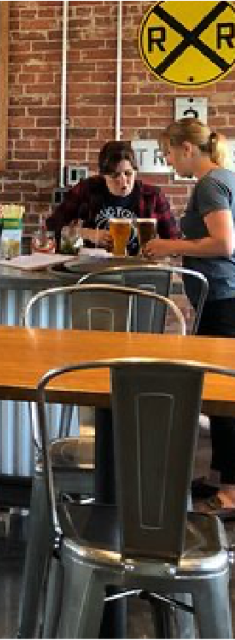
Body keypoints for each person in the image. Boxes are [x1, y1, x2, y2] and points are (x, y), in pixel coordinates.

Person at [144, 118, 235, 514]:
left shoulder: (210, 184)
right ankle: (221, 475)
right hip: (224, 295)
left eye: (167, 151)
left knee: (223, 393)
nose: (166, 160)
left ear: (187, 148)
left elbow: (223, 243)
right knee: (218, 393)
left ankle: (231, 492)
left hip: (223, 297)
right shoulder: (227, 176)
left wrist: (168, 244)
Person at [46, 140, 179, 253]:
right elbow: (52, 228)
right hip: (91, 268)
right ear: (103, 175)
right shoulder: (86, 189)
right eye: (115, 175)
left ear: (136, 172)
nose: (123, 182)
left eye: (128, 174)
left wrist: (160, 250)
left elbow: (174, 241)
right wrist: (88, 234)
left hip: (137, 269)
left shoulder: (152, 196)